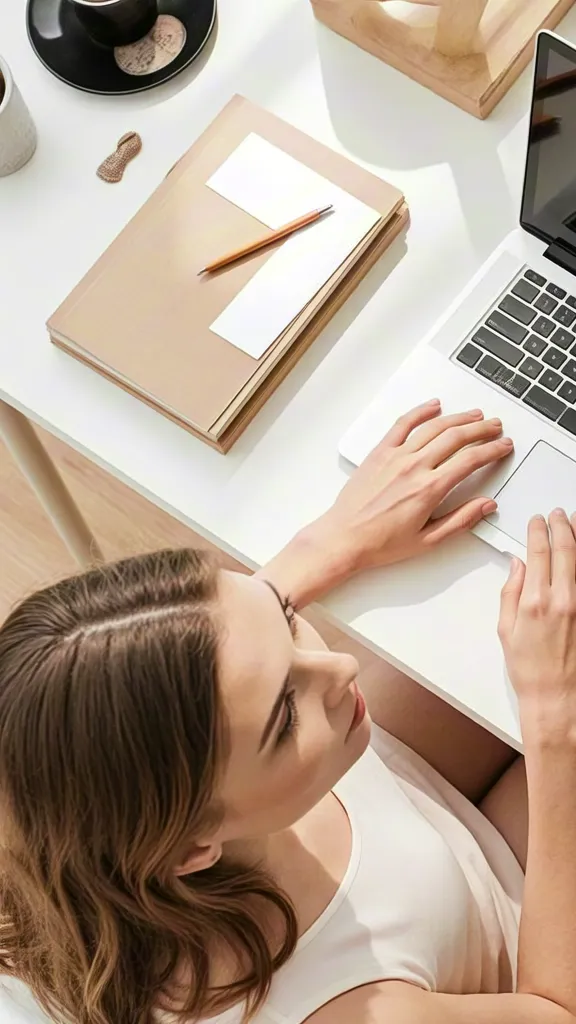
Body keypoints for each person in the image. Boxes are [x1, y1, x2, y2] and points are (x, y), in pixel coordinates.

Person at [0, 399, 573, 1024]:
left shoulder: (68, 817)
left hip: (428, 820)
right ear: (193, 847)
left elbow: (223, 667)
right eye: (285, 719)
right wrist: (553, 726)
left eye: (287, 618)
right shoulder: (332, 1010)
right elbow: (553, 1011)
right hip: (528, 962)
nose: (341, 670)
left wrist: (332, 538)